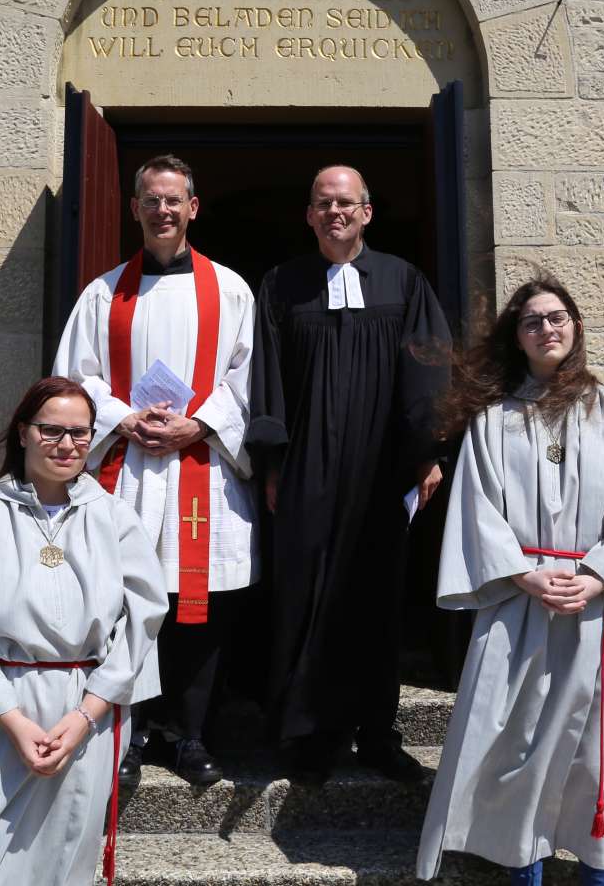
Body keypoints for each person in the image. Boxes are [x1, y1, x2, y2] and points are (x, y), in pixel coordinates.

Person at [416, 276, 604, 886]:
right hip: (520, 601)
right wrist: (524, 574)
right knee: (515, 740)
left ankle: (593, 870)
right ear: (516, 339)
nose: (546, 329)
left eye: (556, 318)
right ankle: (525, 865)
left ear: (574, 326)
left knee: (591, 747)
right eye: (531, 322)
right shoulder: (494, 421)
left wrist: (599, 577)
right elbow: (477, 508)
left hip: (593, 609)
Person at [0, 376, 168, 886]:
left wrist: (88, 715)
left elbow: (143, 620)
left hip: (86, 707)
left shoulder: (115, 519)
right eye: (51, 430)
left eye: (81, 433)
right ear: (23, 433)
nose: (67, 445)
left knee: (64, 856)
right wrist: (15, 723)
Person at [54, 153, 256, 786]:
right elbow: (75, 375)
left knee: (200, 605)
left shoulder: (230, 289)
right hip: (128, 468)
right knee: (130, 601)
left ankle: (189, 734)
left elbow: (249, 380)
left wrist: (199, 424)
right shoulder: (101, 292)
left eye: (174, 200)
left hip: (203, 467)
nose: (163, 210)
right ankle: (132, 728)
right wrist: (122, 417)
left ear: (192, 207)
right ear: (134, 208)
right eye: (151, 200)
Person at [249, 164, 450, 784]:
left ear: (367, 212)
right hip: (307, 466)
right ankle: (306, 734)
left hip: (378, 469)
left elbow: (427, 371)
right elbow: (266, 377)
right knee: (302, 594)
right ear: (308, 215)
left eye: (346, 203)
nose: (334, 212)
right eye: (322, 203)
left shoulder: (403, 282)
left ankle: (377, 735)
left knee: (374, 600)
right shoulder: (282, 286)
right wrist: (274, 462)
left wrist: (427, 451)